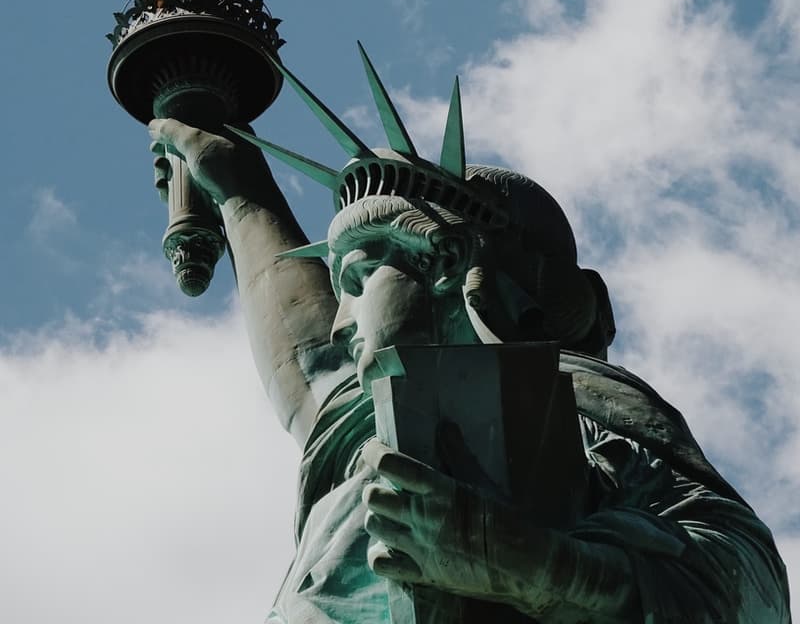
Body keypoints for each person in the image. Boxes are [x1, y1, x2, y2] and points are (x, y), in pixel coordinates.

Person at [149, 49, 791, 623]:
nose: (342, 324)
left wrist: (523, 562)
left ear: (451, 265)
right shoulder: (367, 442)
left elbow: (746, 592)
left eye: (361, 277)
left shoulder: (587, 418)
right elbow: (310, 363)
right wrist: (236, 188)